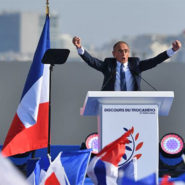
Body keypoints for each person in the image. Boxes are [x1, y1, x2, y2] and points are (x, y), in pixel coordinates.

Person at [72, 36, 181, 91]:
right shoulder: (108, 65)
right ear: (114, 54)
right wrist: (79, 48)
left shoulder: (136, 65)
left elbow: (155, 61)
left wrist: (172, 50)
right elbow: (92, 61)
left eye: (126, 51)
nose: (123, 53)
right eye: (120, 51)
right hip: (111, 106)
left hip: (134, 105)